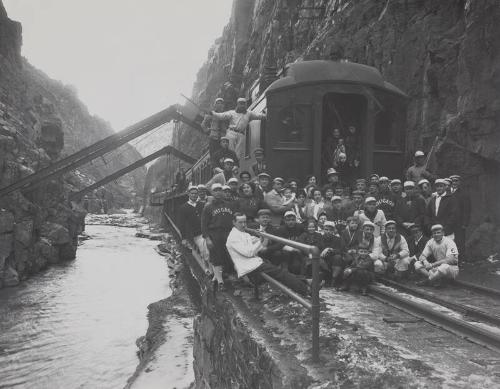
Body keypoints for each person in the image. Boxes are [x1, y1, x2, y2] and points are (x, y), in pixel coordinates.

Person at [226, 213, 309, 296]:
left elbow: (259, 243)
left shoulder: (244, 233)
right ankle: (305, 290)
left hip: (255, 264)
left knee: (280, 272)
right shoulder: (233, 237)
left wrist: (262, 238)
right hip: (250, 269)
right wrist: (261, 240)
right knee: (280, 273)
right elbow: (249, 252)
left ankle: (305, 282)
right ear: (234, 222)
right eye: (240, 222)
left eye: (245, 222)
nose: (243, 225)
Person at [201, 183, 236, 290]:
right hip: (215, 234)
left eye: (220, 190)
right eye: (215, 190)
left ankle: (223, 277)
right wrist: (207, 238)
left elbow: (235, 219)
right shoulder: (208, 207)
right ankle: (220, 282)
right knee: (216, 257)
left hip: (228, 233)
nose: (218, 192)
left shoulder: (229, 205)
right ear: (212, 192)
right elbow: (203, 224)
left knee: (228, 255)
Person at [178, 186, 210, 274]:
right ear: (188, 194)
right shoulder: (183, 208)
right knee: (205, 249)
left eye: (196, 193)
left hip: (205, 231)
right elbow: (181, 224)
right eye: (192, 193)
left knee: (210, 249)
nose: (194, 195)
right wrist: (183, 238)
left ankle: (210, 268)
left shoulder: (202, 205)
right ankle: (207, 268)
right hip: (194, 234)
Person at [201, 97, 228, 168]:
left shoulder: (226, 115)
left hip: (223, 138)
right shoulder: (211, 114)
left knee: (225, 156)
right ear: (215, 105)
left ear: (223, 105)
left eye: (221, 103)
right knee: (214, 156)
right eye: (218, 103)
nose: (219, 105)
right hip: (214, 138)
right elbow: (203, 124)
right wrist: (207, 130)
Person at [450, 175, 470, 258]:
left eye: (456, 181)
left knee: (460, 240)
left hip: (459, 222)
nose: (454, 183)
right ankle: (450, 258)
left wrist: (465, 223)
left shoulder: (464, 193)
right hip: (448, 222)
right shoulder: (446, 192)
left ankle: (461, 258)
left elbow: (467, 209)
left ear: (460, 182)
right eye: (452, 181)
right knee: (450, 240)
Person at [320, 221, 343, 286]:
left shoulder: (338, 239)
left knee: (338, 257)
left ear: (333, 231)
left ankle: (333, 279)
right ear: (323, 230)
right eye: (326, 229)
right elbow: (316, 248)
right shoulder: (319, 238)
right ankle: (324, 278)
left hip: (332, 260)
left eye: (330, 230)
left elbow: (341, 250)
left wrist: (330, 249)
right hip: (322, 259)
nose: (328, 231)